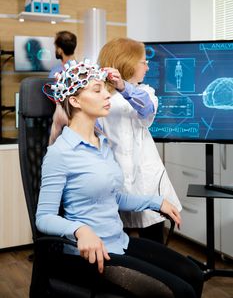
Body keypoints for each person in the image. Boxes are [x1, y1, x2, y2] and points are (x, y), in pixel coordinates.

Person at [37, 60, 203, 298]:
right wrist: (80, 230)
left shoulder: (102, 142)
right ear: (74, 101)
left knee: (193, 273)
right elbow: (44, 217)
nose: (107, 94)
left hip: (119, 241)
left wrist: (156, 202)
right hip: (92, 254)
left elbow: (113, 196)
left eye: (105, 88)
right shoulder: (60, 153)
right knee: (180, 292)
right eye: (97, 90)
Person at [97, 37, 182, 243]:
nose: (147, 65)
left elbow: (146, 108)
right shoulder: (98, 94)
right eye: (143, 61)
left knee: (152, 237)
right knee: (117, 238)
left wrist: (122, 86)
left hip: (146, 179)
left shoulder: (145, 92)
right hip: (112, 175)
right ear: (127, 62)